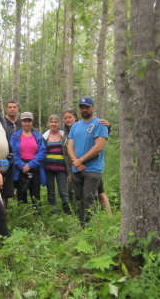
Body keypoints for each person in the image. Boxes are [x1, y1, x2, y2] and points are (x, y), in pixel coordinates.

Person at [67, 96, 108, 225]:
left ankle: (88, 228)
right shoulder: (75, 126)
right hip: (77, 168)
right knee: (80, 198)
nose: (84, 109)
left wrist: (81, 160)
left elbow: (99, 147)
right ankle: (85, 223)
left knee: (88, 198)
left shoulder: (99, 124)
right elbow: (70, 145)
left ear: (93, 107)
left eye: (87, 107)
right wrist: (75, 161)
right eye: (82, 107)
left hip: (92, 169)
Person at [10, 112, 47, 211]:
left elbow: (42, 151)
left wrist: (30, 165)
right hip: (20, 168)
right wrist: (22, 165)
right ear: (21, 122)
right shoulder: (15, 136)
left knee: (35, 193)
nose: (27, 123)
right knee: (21, 193)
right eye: (25, 121)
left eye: (29, 121)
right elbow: (13, 153)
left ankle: (37, 215)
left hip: (34, 167)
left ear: (32, 122)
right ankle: (23, 216)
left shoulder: (37, 136)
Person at [42, 114, 71, 214]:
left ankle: (67, 212)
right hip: (48, 169)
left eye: (56, 122)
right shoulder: (45, 136)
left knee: (63, 192)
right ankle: (53, 212)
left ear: (59, 123)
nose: (53, 124)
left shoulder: (64, 135)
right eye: (52, 122)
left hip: (61, 169)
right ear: (49, 123)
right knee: (51, 192)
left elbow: (69, 150)